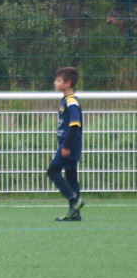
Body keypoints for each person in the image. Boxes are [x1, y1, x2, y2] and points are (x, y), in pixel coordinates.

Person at [46, 66, 84, 221]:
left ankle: (74, 199)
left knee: (52, 171)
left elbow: (74, 125)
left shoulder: (71, 101)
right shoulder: (66, 100)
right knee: (71, 176)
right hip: (69, 144)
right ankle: (74, 213)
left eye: (58, 80)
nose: (55, 83)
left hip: (69, 146)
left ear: (67, 83)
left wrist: (66, 146)